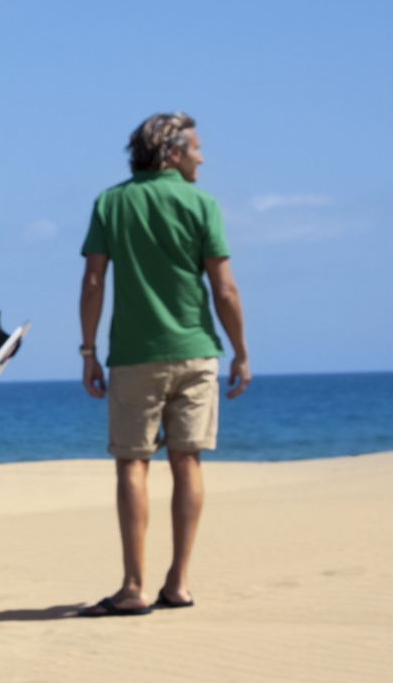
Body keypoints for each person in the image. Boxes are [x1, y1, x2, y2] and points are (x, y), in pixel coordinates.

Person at [77, 112, 250, 617]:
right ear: (171, 152)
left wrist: (87, 351)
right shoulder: (202, 204)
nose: (201, 156)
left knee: (133, 465)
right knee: (187, 462)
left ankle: (134, 586)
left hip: (134, 357)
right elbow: (225, 288)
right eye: (195, 147)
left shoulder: (111, 202)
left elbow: (92, 284)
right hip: (197, 353)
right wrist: (240, 351)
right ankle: (178, 583)